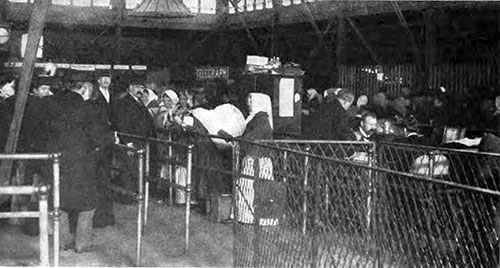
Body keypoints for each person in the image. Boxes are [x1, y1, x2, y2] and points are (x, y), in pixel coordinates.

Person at [46, 80, 114, 252]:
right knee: (87, 205)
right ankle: (82, 243)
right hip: (83, 162)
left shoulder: (55, 105)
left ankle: (62, 241)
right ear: (83, 90)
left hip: (60, 162)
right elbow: (101, 137)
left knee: (60, 201)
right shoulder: (88, 109)